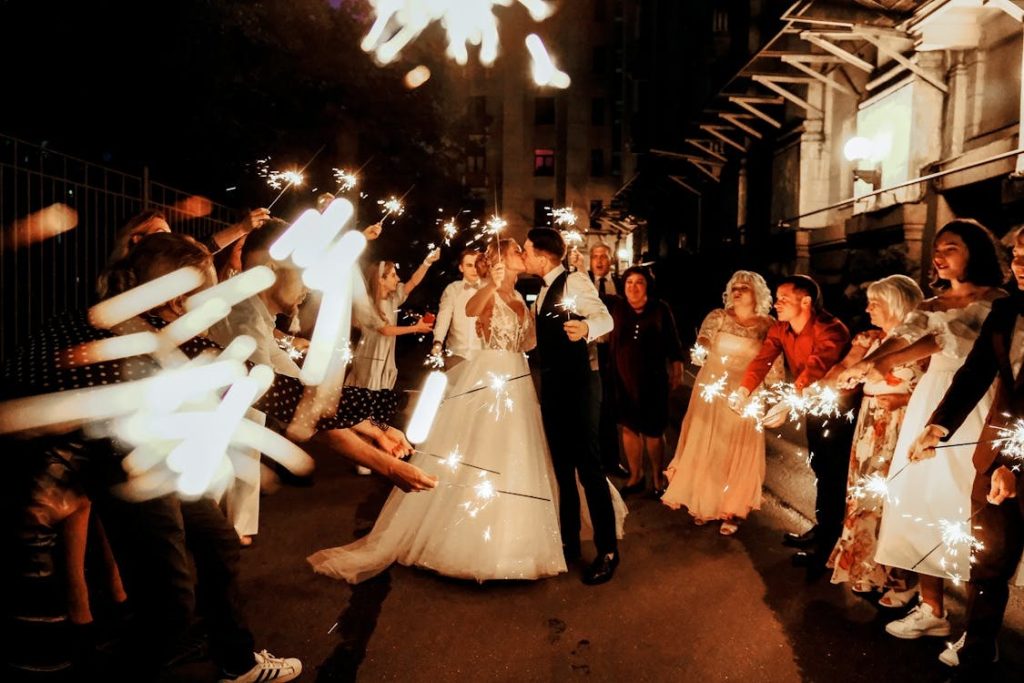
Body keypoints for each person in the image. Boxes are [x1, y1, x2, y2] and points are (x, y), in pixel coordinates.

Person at [308, 239, 570, 582]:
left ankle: (516, 545)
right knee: (484, 449)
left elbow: (529, 343)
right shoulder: (487, 291)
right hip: (489, 375)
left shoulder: (521, 298)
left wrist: (532, 320)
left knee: (516, 452)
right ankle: (470, 543)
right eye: (515, 251)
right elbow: (471, 310)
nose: (522, 255)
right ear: (499, 260)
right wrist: (491, 283)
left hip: (516, 379)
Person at [838, 219, 1008, 638]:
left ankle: (976, 627)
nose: (939, 255)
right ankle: (931, 608)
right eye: (936, 248)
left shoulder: (999, 302)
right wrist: (871, 362)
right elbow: (906, 339)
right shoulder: (930, 305)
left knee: (968, 511)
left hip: (976, 406)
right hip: (928, 406)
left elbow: (948, 345)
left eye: (950, 247)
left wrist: (880, 362)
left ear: (974, 252)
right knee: (917, 501)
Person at [906, 228, 1024, 677]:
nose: (1020, 264)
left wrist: (1015, 465)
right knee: (988, 558)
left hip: (1016, 460)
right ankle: (979, 646)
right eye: (1016, 254)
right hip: (993, 452)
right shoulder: (1007, 309)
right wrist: (937, 425)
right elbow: (975, 373)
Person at [731, 274, 853, 571]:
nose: (777, 303)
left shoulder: (831, 329)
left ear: (806, 301)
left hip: (838, 409)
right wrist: (744, 389)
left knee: (834, 474)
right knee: (819, 466)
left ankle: (830, 544)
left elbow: (817, 367)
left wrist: (788, 401)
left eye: (784, 298)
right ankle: (823, 529)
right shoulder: (780, 328)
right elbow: (763, 359)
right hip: (809, 404)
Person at [524, 227, 620, 585]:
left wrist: (586, 327)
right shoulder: (543, 291)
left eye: (526, 249)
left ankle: (608, 551)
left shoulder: (574, 281)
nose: (524, 254)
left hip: (580, 386)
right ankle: (568, 544)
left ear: (543, 255)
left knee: (589, 469)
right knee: (562, 469)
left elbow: (606, 318)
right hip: (553, 387)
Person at [823, 275, 925, 593]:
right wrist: (855, 354)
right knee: (865, 496)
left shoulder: (922, 343)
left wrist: (905, 398)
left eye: (875, 303)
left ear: (897, 304)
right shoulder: (873, 341)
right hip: (870, 427)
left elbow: (939, 388)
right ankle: (866, 568)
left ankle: (901, 579)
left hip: (904, 426)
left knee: (893, 500)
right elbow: (834, 379)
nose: (868, 309)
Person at [662, 271, 776, 535]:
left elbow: (772, 359)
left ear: (756, 293)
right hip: (712, 390)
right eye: (734, 287)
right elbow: (705, 336)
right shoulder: (718, 316)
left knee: (737, 448)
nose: (737, 291)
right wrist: (701, 348)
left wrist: (773, 394)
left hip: (746, 392)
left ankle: (732, 510)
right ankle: (704, 503)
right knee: (710, 446)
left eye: (744, 288)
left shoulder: (767, 325)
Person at [608, 267, 684, 496]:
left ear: (647, 286)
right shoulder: (616, 308)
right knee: (629, 428)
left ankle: (658, 478)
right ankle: (636, 475)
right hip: (622, 377)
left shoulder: (660, 309)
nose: (633, 287)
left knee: (653, 430)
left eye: (639, 282)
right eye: (629, 282)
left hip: (653, 380)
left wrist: (677, 366)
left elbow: (673, 341)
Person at [96, 207, 270, 298]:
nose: (170, 241)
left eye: (169, 234)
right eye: (160, 234)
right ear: (137, 240)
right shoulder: (117, 290)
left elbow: (205, 247)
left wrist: (242, 228)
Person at [346, 254, 438, 391]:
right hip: (370, 360)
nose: (398, 279)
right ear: (381, 280)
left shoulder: (392, 299)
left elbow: (412, 282)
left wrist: (427, 263)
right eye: (393, 276)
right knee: (364, 395)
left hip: (384, 360)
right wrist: (415, 328)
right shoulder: (368, 304)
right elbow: (385, 330)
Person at [587, 243, 629, 478]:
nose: (600, 260)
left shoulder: (623, 284)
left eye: (604, 256)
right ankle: (591, 460)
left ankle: (612, 460)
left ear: (611, 261)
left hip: (614, 353)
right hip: (591, 351)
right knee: (592, 406)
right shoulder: (583, 284)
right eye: (595, 256)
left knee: (610, 409)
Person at [430, 248, 484, 365]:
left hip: (482, 355)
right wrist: (438, 341)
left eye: (476, 265)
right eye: (469, 265)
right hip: (456, 352)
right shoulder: (452, 289)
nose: (474, 269)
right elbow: (444, 316)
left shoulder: (488, 289)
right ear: (461, 267)